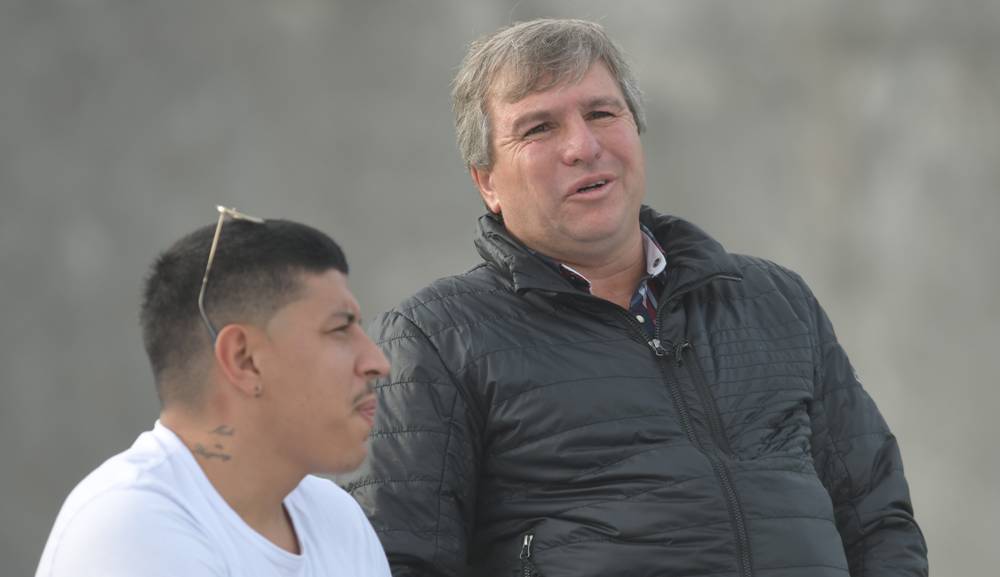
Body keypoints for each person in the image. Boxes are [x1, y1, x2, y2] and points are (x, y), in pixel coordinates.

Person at [340, 19, 928, 577]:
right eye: (539, 128)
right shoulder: (437, 338)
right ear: (487, 181)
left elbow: (879, 523)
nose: (583, 146)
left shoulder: (774, 301)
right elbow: (396, 558)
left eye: (602, 113)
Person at [36, 207, 392, 577]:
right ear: (244, 359)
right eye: (340, 329)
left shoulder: (337, 518)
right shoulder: (132, 525)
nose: (378, 362)